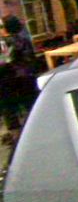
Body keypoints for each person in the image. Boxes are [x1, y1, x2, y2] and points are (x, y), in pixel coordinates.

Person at [1, 15, 39, 146]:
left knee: (9, 109)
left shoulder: (5, 44)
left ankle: (17, 137)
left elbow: (5, 63)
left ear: (5, 29)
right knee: (31, 107)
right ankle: (35, 130)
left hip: (9, 82)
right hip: (27, 79)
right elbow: (32, 60)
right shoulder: (25, 40)